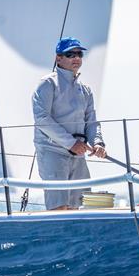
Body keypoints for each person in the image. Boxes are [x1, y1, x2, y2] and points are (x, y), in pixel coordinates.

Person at [32, 38, 107, 210]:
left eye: (79, 54)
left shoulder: (85, 89)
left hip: (78, 154)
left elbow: (91, 121)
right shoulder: (47, 84)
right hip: (53, 152)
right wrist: (71, 143)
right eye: (70, 54)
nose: (76, 58)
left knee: (80, 206)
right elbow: (42, 119)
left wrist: (98, 143)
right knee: (58, 206)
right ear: (58, 58)